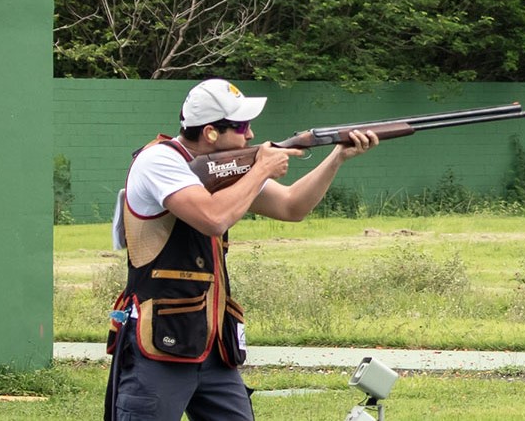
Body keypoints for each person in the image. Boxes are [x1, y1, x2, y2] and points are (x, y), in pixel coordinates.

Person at [105, 78, 378, 420]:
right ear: (210, 133)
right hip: (160, 342)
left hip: (213, 344)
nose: (250, 135)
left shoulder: (227, 171)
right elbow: (213, 217)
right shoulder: (158, 161)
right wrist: (261, 167)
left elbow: (292, 206)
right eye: (242, 126)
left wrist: (337, 157)